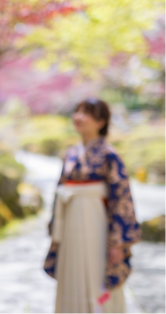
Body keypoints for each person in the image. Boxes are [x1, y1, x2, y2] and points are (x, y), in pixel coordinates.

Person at [43, 98, 141, 314]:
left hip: (97, 227)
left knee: (97, 275)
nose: (78, 117)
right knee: (72, 273)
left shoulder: (110, 155)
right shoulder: (70, 153)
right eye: (77, 111)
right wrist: (55, 234)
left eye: (86, 113)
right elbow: (59, 192)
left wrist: (118, 243)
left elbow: (121, 198)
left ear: (101, 121)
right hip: (69, 225)